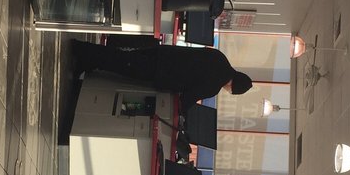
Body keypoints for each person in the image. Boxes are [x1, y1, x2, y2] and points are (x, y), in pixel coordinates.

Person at [71, 39, 253, 111]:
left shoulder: (220, 57)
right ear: (233, 87)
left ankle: (87, 61)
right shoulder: (213, 87)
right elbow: (188, 97)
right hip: (160, 71)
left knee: (122, 57)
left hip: (164, 53)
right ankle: (81, 49)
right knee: (119, 63)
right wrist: (184, 114)